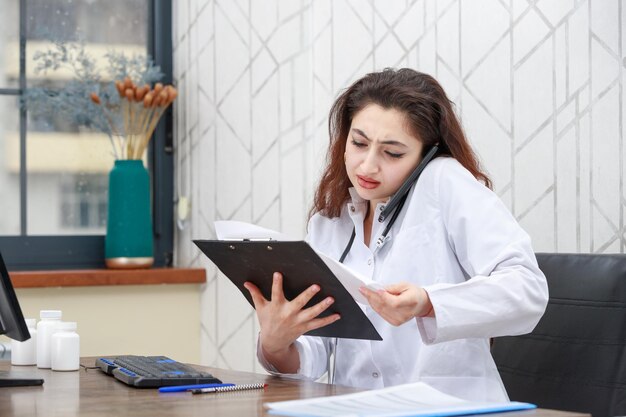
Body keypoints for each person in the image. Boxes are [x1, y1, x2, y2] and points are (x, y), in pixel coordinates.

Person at [243, 68, 549, 402]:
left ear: (426, 154)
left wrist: (428, 303)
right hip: (359, 408)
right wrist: (277, 342)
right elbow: (312, 356)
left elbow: (528, 290)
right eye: (359, 143)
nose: (368, 166)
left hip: (453, 407)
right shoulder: (330, 221)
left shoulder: (444, 182)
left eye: (393, 153)